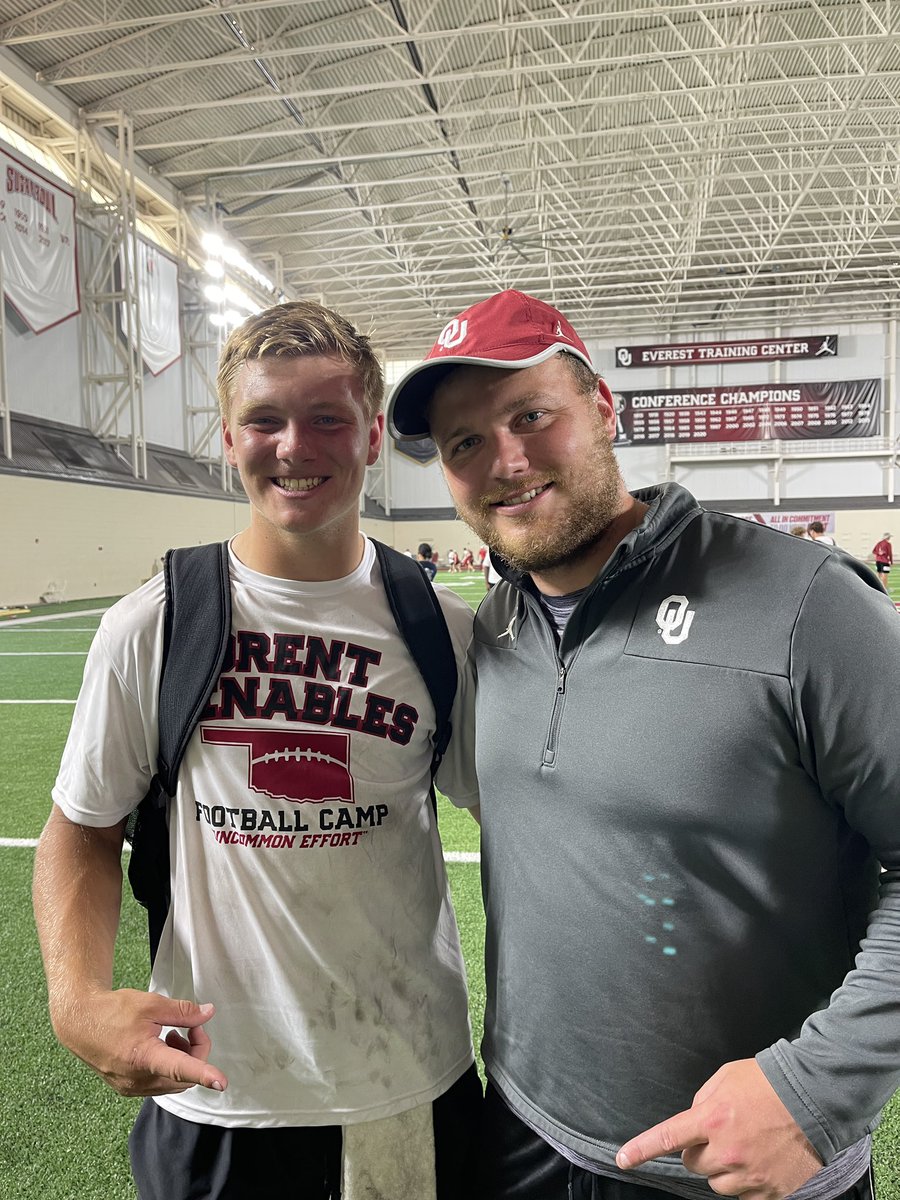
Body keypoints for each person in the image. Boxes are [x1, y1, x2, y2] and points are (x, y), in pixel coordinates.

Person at [387, 288, 900, 1200]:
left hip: (736, 1172)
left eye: (531, 415)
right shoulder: (492, 628)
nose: (504, 459)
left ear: (604, 408)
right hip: (521, 1136)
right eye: (464, 442)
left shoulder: (808, 605)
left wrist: (816, 1088)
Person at [33, 300, 482, 1200]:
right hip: (216, 1088)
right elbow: (82, 830)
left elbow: (539, 823)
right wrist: (76, 999)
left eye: (327, 419)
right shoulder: (152, 626)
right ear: (230, 440)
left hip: (404, 1081)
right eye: (265, 420)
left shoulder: (445, 631)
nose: (294, 446)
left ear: (370, 443)